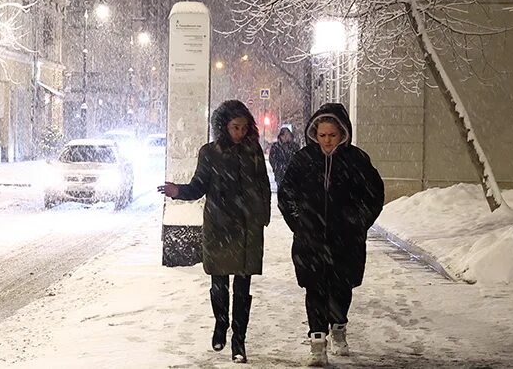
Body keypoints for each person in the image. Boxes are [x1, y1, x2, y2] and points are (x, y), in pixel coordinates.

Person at [158, 100, 271, 364]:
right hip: (219, 226)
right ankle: (221, 324)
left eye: (244, 128)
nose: (240, 133)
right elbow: (199, 186)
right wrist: (179, 192)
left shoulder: (254, 151)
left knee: (243, 286)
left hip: (248, 228)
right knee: (219, 283)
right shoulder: (209, 153)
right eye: (235, 127)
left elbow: (264, 186)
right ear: (224, 127)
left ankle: (239, 340)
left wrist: (262, 216)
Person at [277, 103, 385, 367]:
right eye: (322, 135)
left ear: (343, 134)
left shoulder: (356, 159)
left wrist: (358, 223)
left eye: (332, 135)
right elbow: (286, 193)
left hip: (345, 241)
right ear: (315, 134)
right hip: (310, 241)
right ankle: (317, 340)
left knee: (340, 289)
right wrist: (300, 223)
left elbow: (373, 196)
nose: (326, 141)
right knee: (314, 289)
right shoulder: (304, 159)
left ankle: (338, 326)